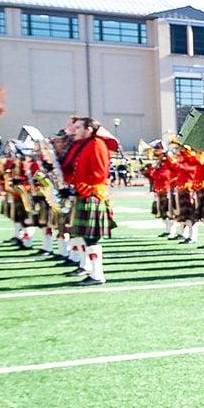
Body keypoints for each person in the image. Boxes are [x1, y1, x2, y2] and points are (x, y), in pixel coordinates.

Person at [59, 117, 121, 284]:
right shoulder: (85, 145)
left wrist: (76, 188)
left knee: (91, 239)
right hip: (83, 194)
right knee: (79, 236)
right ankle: (86, 267)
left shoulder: (96, 144)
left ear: (89, 129)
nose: (75, 130)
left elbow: (98, 174)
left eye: (79, 127)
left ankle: (97, 275)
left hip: (91, 195)